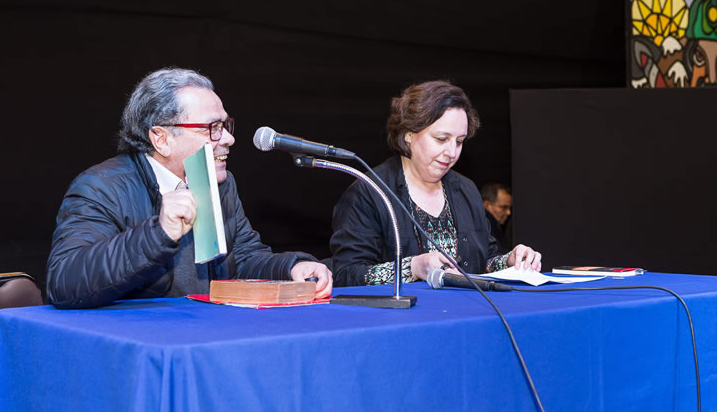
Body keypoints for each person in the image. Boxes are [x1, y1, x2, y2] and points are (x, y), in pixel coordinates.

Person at [47, 68, 332, 309]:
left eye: (225, 125)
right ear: (161, 139)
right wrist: (158, 234)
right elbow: (63, 282)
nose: (228, 138)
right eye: (213, 127)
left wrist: (291, 268)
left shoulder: (221, 184)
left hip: (207, 332)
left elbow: (244, 259)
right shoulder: (101, 187)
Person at [330, 80, 541, 287]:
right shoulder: (369, 192)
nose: (452, 152)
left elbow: (484, 262)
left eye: (459, 141)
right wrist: (412, 268)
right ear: (409, 134)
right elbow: (347, 274)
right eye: (441, 139)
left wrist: (509, 262)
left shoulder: (466, 189)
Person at [480, 182, 512, 253]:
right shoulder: (485, 229)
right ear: (486, 205)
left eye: (509, 208)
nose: (508, 212)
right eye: (504, 207)